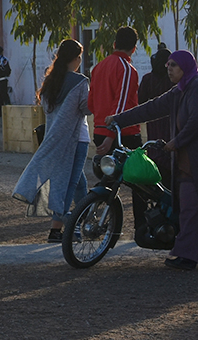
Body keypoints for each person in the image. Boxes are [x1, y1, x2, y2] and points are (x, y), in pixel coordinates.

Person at [109, 50, 198, 270]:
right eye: (168, 65)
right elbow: (151, 108)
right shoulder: (180, 91)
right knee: (190, 205)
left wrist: (176, 142)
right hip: (193, 161)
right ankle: (186, 255)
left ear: (186, 68)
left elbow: (197, 121)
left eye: (173, 65)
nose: (168, 68)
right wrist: (119, 119)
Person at [13, 40, 90, 242]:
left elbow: (48, 110)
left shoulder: (50, 81)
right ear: (75, 58)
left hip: (55, 140)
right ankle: (72, 228)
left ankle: (75, 224)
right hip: (77, 139)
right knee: (69, 185)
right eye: (79, 56)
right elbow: (87, 108)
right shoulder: (80, 82)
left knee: (78, 184)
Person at [89, 26, 142, 154]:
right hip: (122, 133)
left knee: (105, 173)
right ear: (133, 49)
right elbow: (121, 104)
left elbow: (91, 103)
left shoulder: (98, 67)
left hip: (99, 131)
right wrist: (111, 136)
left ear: (114, 44)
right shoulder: (127, 69)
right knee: (135, 173)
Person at [137, 43, 174, 182]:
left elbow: (140, 101)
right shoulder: (172, 80)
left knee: (155, 157)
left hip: (153, 125)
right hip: (170, 125)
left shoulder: (148, 79)